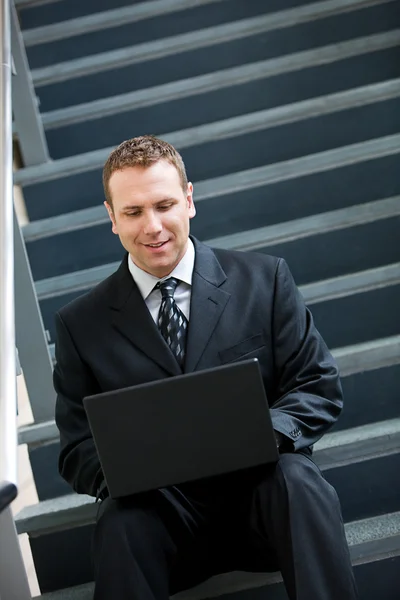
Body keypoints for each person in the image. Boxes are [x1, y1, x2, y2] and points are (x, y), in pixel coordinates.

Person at [54, 135, 358, 600]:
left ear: (189, 201)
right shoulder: (80, 326)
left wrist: (261, 434)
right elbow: (76, 449)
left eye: (164, 204)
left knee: (299, 480)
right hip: (166, 529)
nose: (152, 226)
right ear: (111, 217)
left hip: (266, 508)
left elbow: (317, 384)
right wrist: (131, 467)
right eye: (134, 212)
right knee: (119, 520)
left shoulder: (265, 280)